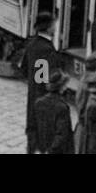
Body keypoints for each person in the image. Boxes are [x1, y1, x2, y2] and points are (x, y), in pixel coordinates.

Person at [22, 12, 59, 154]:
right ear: (49, 27)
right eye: (54, 25)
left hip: (33, 94)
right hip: (43, 96)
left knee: (32, 128)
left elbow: (25, 68)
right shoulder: (46, 49)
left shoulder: (31, 44)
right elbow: (43, 78)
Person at [33, 70, 75, 154]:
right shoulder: (62, 107)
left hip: (44, 146)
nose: (66, 87)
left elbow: (36, 127)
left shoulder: (38, 102)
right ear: (61, 87)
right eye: (65, 85)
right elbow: (62, 134)